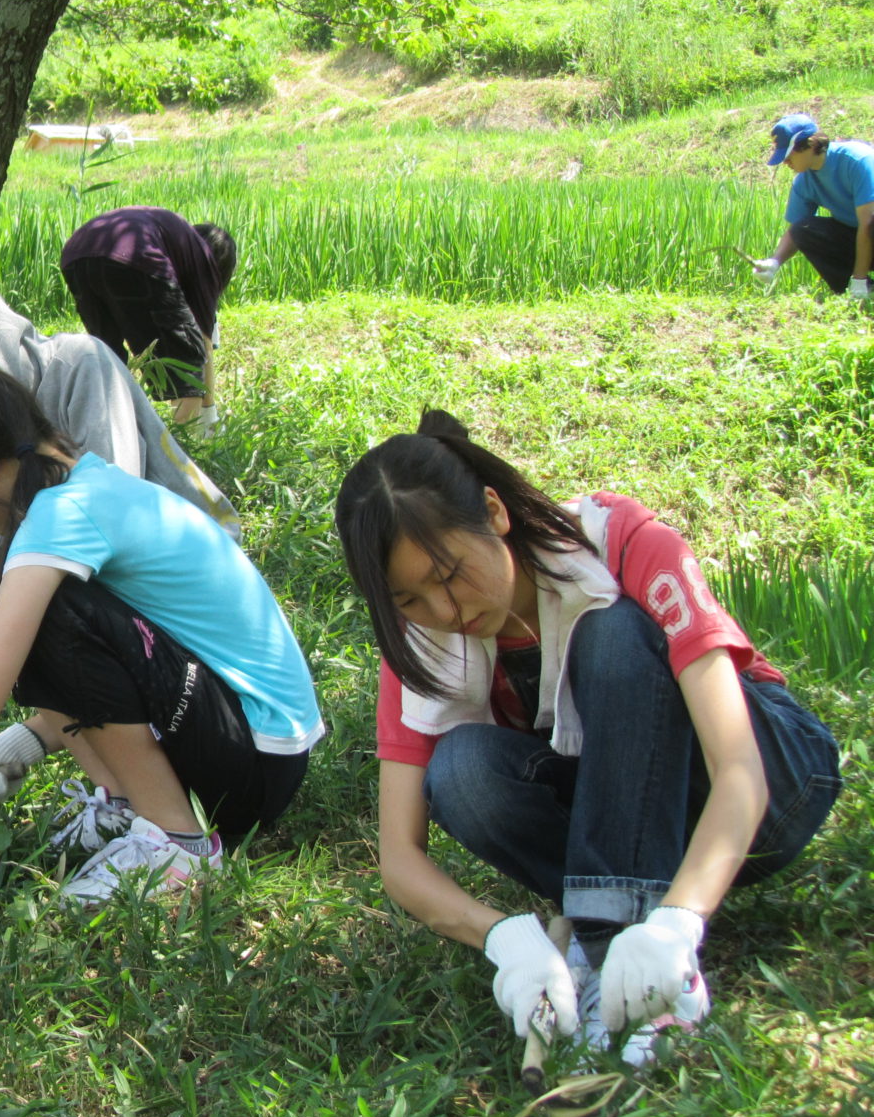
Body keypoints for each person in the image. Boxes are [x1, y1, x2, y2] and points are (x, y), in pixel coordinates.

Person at [334, 411, 841, 1068]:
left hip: (775, 789)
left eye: (449, 574)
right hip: (643, 815)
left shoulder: (620, 544)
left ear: (495, 512)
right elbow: (399, 859)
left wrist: (680, 921)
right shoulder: (421, 648)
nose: (445, 613)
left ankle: (623, 943)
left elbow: (740, 769)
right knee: (462, 771)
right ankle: (619, 946)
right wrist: (505, 940)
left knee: (612, 636)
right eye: (409, 601)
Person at [0, 361, 323, 904]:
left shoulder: (62, 517)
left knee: (40, 612)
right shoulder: (87, 484)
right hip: (253, 750)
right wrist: (21, 744)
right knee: (19, 601)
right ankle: (124, 803)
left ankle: (178, 846)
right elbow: (116, 674)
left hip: (253, 764)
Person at [0, 254, 247, 839]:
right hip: (108, 608)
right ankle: (120, 796)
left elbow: (100, 558)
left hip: (173, 601)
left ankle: (156, 819)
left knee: (48, 616)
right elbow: (9, 569)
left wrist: (24, 731)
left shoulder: (78, 369)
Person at [59, 207, 238, 427]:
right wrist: (210, 414)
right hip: (134, 255)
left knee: (108, 357)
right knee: (187, 362)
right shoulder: (204, 260)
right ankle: (187, 441)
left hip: (76, 252)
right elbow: (203, 343)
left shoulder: (177, 240)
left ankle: (109, 432)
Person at [751, 113, 874, 302]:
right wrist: (775, 262)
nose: (785, 161)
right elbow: (796, 230)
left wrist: (859, 278)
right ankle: (860, 294)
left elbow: (867, 223)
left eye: (789, 154)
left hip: (869, 229)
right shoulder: (804, 182)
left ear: (810, 144)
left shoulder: (857, 160)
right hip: (859, 238)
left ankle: (860, 285)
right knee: (804, 229)